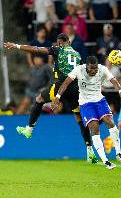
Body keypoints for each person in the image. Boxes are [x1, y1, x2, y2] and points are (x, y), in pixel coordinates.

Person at [4, 34, 97, 164]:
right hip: (75, 88)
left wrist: (17, 46)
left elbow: (36, 49)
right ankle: (90, 150)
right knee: (79, 117)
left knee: (39, 99)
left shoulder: (57, 50)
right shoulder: (77, 54)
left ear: (59, 43)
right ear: (69, 42)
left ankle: (29, 130)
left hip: (60, 87)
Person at [52, 56, 121, 169]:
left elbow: (114, 81)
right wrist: (57, 97)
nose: (94, 70)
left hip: (100, 100)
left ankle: (119, 153)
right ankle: (105, 160)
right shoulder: (78, 70)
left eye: (95, 68)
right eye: (91, 68)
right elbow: (66, 83)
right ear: (86, 66)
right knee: (95, 129)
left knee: (110, 123)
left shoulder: (102, 69)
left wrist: (120, 90)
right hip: (86, 104)